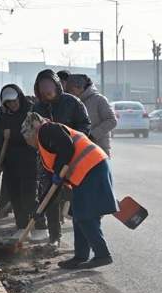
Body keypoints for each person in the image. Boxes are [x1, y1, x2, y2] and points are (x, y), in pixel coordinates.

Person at [22, 112, 117, 269]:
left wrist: (58, 171)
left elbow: (67, 147)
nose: (28, 143)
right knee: (78, 215)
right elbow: (53, 187)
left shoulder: (46, 130)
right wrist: (40, 210)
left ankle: (102, 255)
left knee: (85, 216)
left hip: (92, 168)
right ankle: (80, 256)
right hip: (87, 172)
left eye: (27, 139)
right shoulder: (45, 146)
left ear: (31, 132)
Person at [32, 69, 90, 247]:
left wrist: (72, 142)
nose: (46, 91)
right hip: (48, 160)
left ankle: (84, 241)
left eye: (49, 86)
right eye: (42, 88)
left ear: (56, 86)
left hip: (73, 158)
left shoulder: (71, 102)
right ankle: (54, 237)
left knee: (77, 200)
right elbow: (33, 131)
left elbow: (85, 124)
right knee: (50, 198)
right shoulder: (37, 108)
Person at [0, 84, 41, 240]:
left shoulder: (31, 113)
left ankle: (40, 227)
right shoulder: (2, 117)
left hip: (30, 161)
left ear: (19, 97)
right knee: (15, 197)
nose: (13, 105)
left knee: (29, 196)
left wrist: (13, 135)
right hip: (10, 163)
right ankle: (21, 226)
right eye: (8, 103)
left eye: (14, 101)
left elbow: (35, 136)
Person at [66, 74, 117, 156]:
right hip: (79, 149)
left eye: (72, 90)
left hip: (99, 149)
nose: (71, 93)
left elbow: (112, 120)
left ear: (81, 87)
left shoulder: (99, 100)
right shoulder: (72, 102)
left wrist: (92, 135)